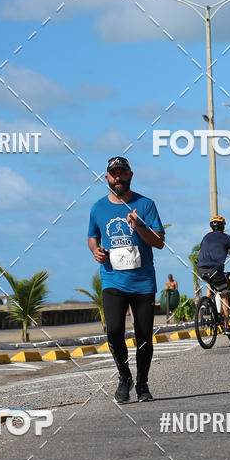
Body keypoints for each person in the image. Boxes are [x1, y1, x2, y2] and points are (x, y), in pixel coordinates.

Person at [87, 156, 165, 403]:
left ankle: (142, 385)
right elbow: (92, 237)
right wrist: (95, 251)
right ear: (107, 178)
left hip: (142, 282)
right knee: (113, 331)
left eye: (122, 173)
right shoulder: (98, 208)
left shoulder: (146, 204)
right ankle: (124, 377)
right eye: (113, 174)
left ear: (131, 175)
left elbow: (159, 242)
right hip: (112, 280)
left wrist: (139, 226)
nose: (118, 177)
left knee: (143, 336)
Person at [196, 216, 230, 331]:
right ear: (223, 227)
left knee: (211, 282)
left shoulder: (205, 237)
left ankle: (205, 303)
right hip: (215, 270)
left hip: (201, 269)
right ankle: (226, 327)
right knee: (224, 296)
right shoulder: (227, 238)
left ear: (212, 228)